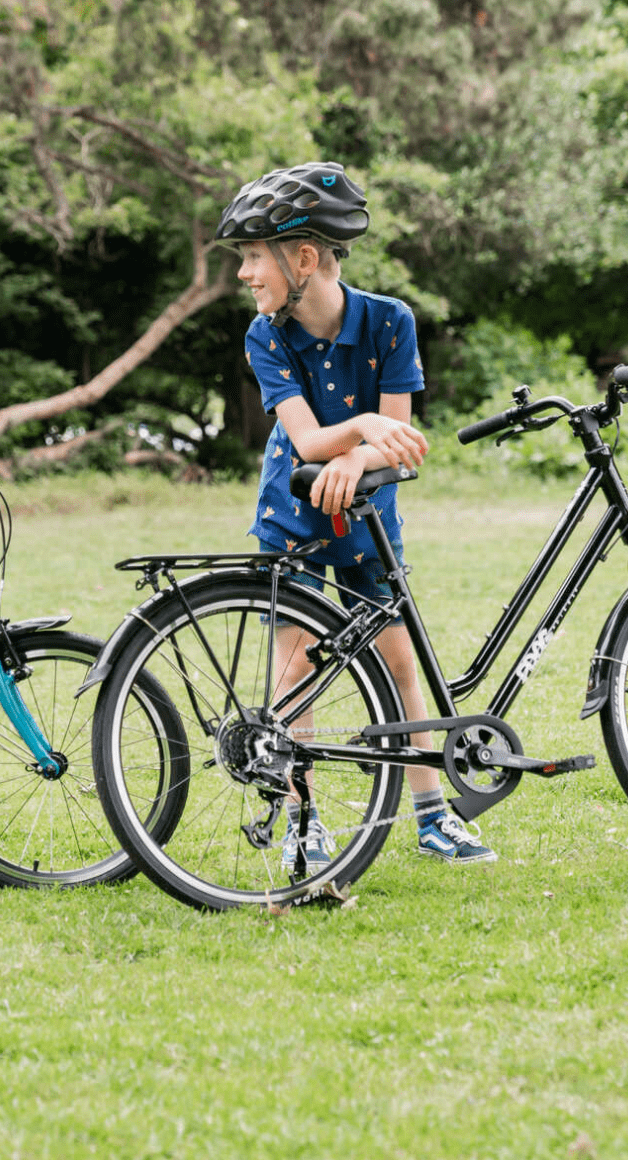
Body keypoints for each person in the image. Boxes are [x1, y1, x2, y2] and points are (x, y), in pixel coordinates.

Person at [224, 161, 497, 870]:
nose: (247, 274)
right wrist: (361, 433)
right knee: (295, 671)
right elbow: (311, 441)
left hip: (369, 518)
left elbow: (400, 451)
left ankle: (433, 818)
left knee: (399, 662)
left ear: (303, 259)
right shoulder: (266, 336)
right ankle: (301, 820)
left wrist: (356, 460)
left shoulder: (390, 322)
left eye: (255, 258)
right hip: (292, 519)